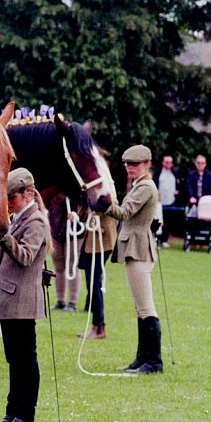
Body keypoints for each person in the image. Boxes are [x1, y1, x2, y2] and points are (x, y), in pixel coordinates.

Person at [0, 168, 49, 422]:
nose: (8, 202)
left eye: (12, 197)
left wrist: (3, 235)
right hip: (13, 298)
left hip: (23, 300)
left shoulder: (35, 221)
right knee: (15, 359)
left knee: (25, 359)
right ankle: (12, 412)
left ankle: (26, 416)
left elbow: (25, 256)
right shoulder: (19, 218)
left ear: (28, 193)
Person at [94, 144, 163, 374]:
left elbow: (125, 212)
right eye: (128, 165)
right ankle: (142, 357)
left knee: (145, 307)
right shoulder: (139, 185)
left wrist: (106, 206)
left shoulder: (145, 187)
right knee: (139, 307)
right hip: (135, 246)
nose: (130, 168)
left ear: (146, 165)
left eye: (135, 164)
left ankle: (153, 361)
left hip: (139, 248)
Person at [78, 207, 116, 339]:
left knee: (93, 283)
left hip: (101, 242)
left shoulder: (105, 188)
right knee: (93, 283)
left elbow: (110, 206)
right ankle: (97, 326)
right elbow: (82, 216)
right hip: (91, 242)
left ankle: (98, 327)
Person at [48, 195, 81, 311]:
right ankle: (60, 300)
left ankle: (72, 301)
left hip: (72, 231)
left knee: (72, 266)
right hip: (55, 229)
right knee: (58, 267)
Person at [155, 155, 179, 246]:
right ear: (163, 162)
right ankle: (156, 240)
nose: (169, 164)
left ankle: (164, 240)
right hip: (159, 202)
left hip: (171, 202)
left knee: (168, 221)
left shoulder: (175, 173)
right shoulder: (158, 173)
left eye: (170, 162)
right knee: (159, 221)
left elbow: (178, 184)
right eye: (167, 162)